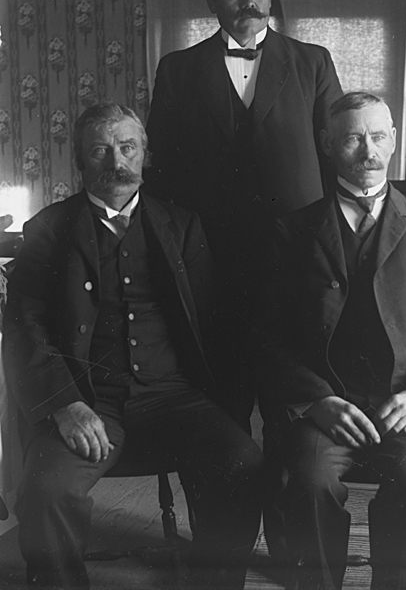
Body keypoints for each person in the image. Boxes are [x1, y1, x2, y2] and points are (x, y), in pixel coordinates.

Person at [2, 102, 264, 590]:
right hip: (87, 399)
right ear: (80, 161)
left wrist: (226, 411)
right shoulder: (49, 229)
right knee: (46, 492)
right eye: (100, 150)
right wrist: (64, 404)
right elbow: (23, 327)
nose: (116, 162)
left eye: (127, 148)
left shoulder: (181, 225)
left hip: (174, 397)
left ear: (146, 155)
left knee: (241, 461)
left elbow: (215, 326)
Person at [254, 92, 406, 590]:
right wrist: (318, 401)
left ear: (395, 140)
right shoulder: (292, 231)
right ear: (327, 144)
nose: (368, 151)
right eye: (353, 139)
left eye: (378, 136)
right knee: (311, 483)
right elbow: (267, 337)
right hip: (327, 408)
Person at [144, 0, 343, 428]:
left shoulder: (313, 62)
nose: (247, 0)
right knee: (223, 388)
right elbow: (161, 168)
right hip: (211, 255)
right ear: (211, 0)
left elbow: (337, 156)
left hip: (295, 253)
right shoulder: (178, 69)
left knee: (291, 392)